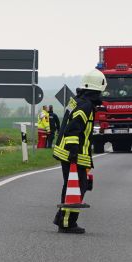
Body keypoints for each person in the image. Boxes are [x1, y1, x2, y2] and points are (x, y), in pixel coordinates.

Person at [51, 70, 105, 234]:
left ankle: (62, 219)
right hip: (73, 154)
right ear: (97, 89)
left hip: (68, 152)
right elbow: (73, 129)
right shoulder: (86, 105)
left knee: (72, 186)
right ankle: (67, 223)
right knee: (76, 188)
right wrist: (73, 152)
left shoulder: (77, 101)